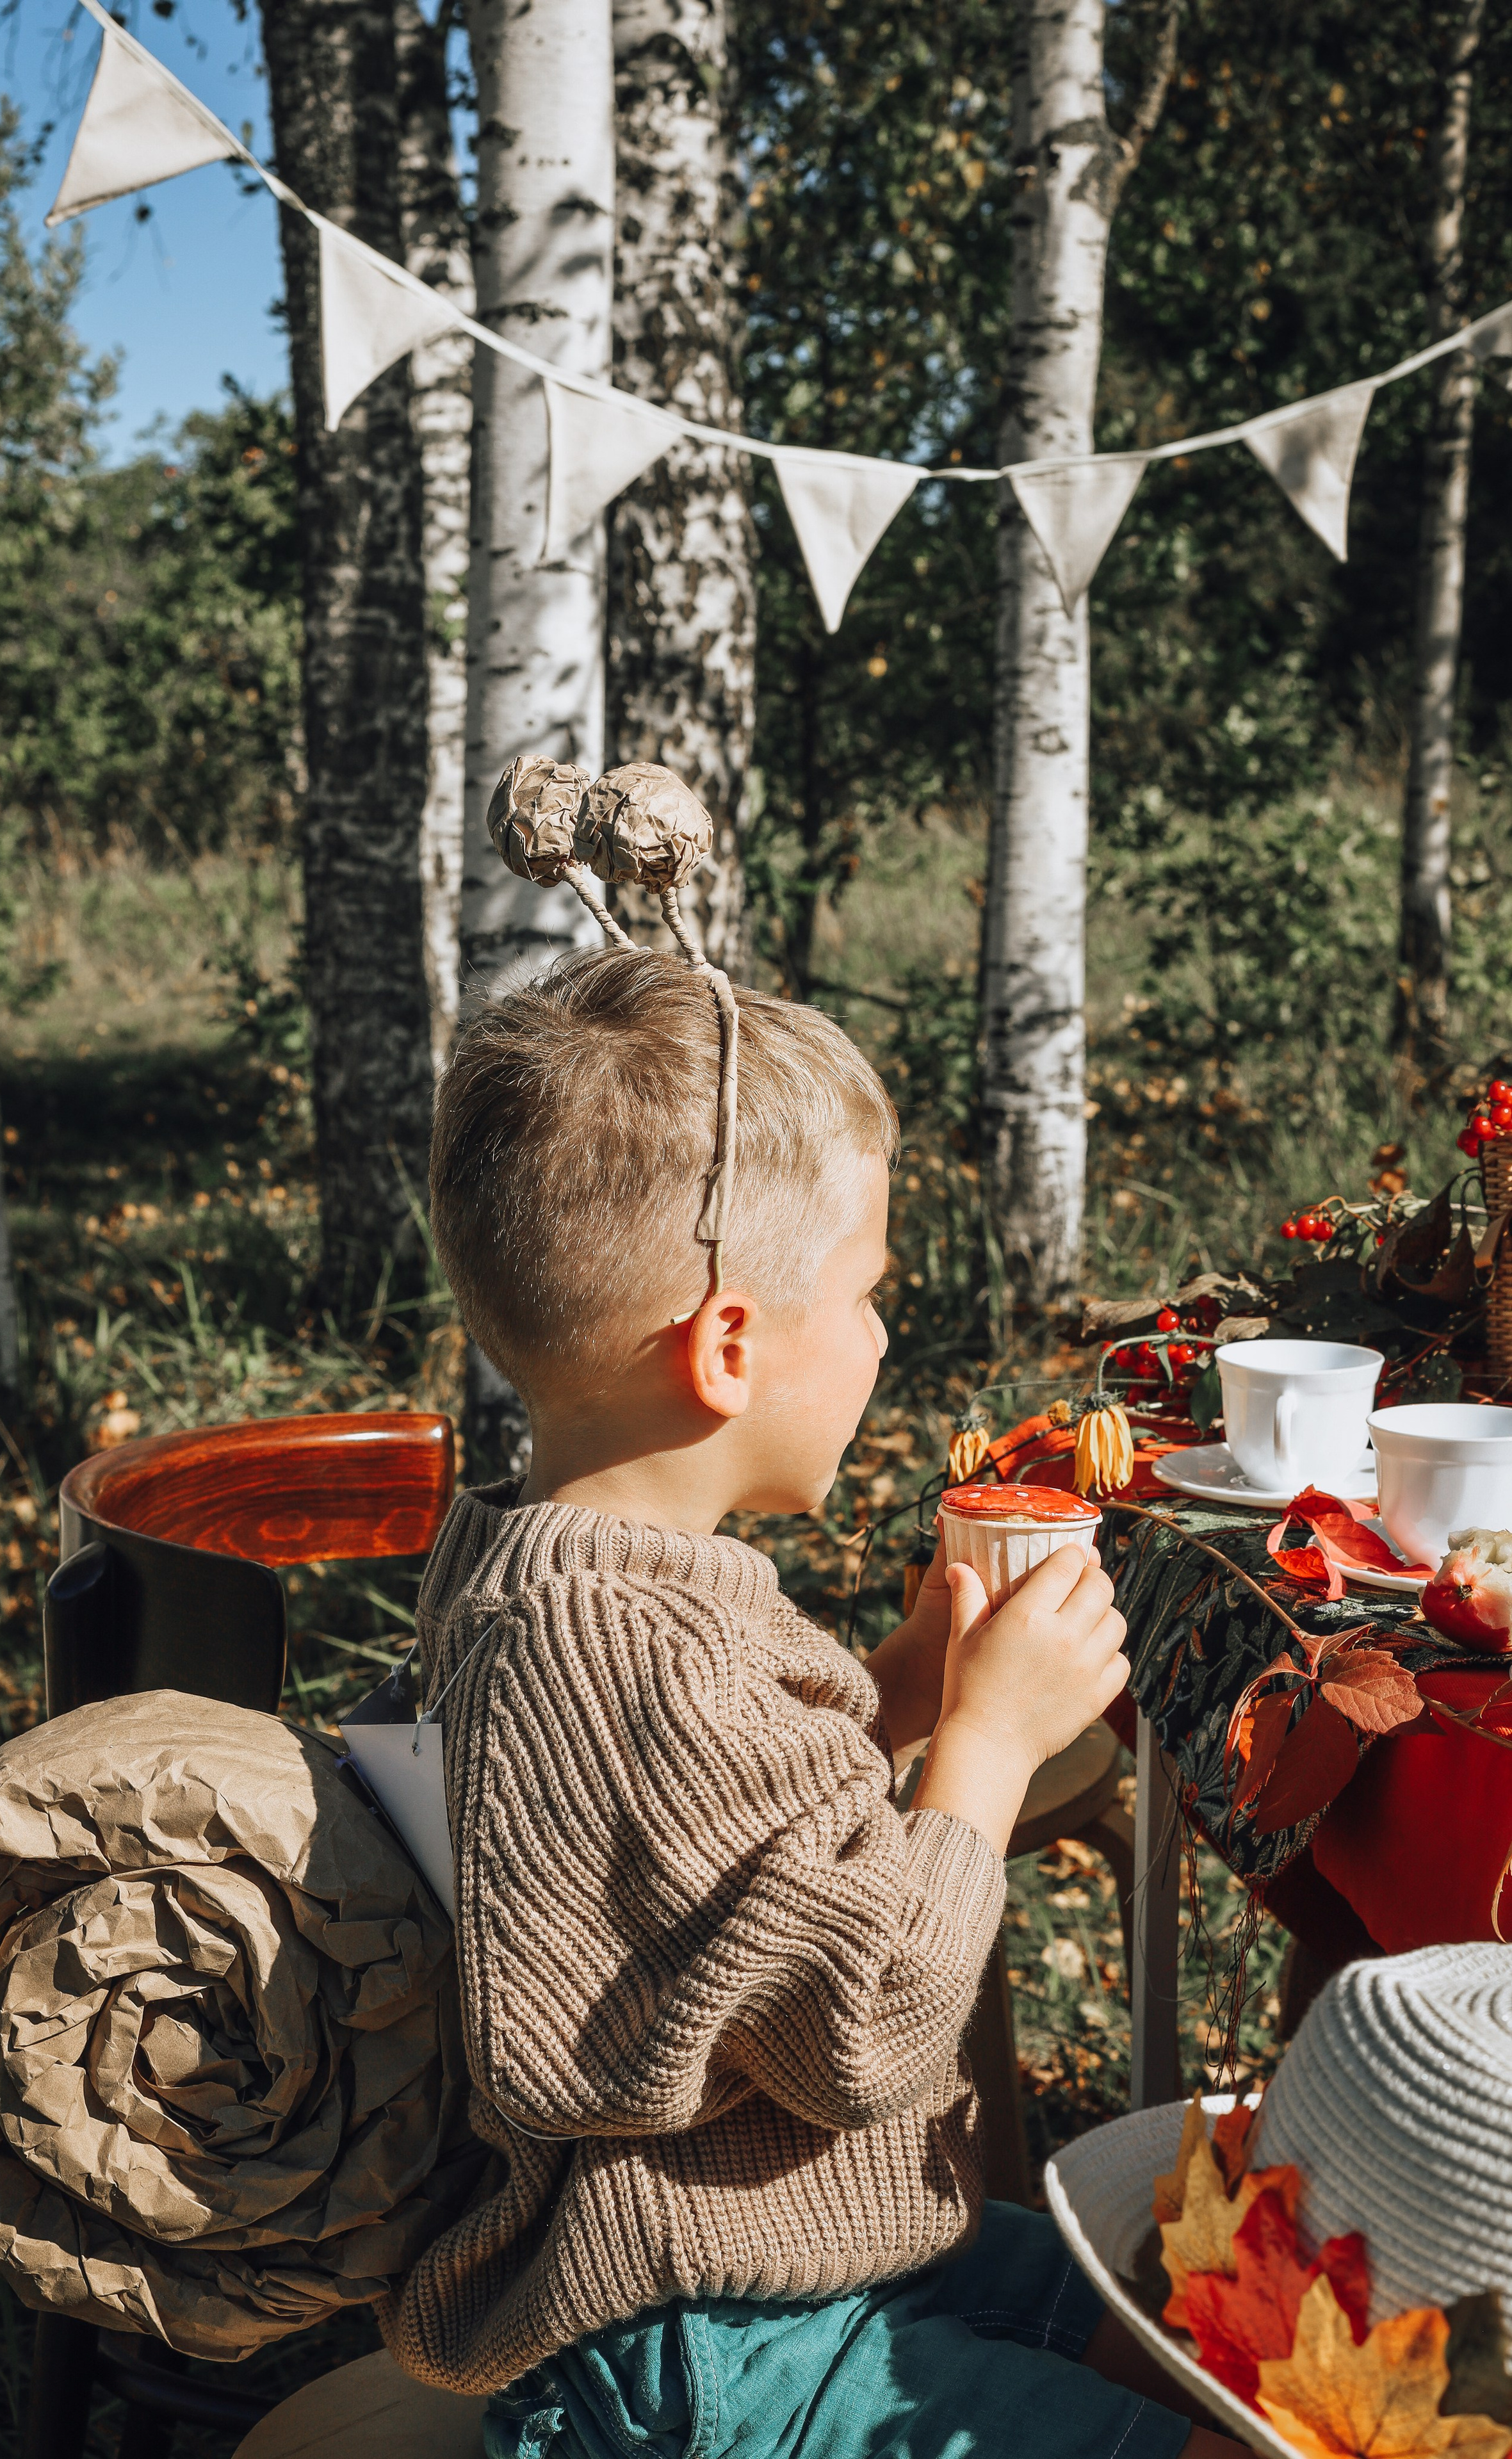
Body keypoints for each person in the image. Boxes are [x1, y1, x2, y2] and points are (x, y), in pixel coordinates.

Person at [377, 948, 1244, 2459]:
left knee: (1176, 2329)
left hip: (807, 2251)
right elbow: (868, 2019)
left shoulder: (566, 1573)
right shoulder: (622, 1644)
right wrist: (978, 1750)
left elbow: (703, 1870)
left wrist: (897, 1695)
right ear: (727, 1349)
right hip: (699, 2337)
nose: (882, 1337)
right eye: (863, 1296)